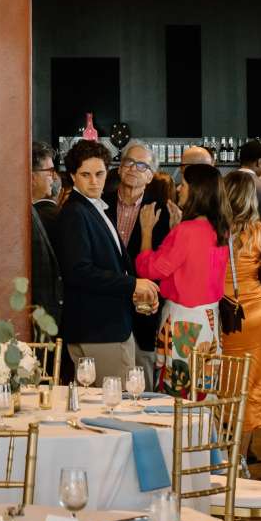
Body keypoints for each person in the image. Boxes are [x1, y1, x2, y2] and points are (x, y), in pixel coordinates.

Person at [55, 138, 158, 385]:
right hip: (99, 329)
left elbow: (113, 265)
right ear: (73, 176)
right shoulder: (76, 212)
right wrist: (133, 284)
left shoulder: (94, 207)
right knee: (118, 401)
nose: (94, 181)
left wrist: (135, 291)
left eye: (99, 174)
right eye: (86, 175)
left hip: (105, 325)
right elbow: (79, 272)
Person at [136, 163, 228, 398]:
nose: (178, 189)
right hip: (209, 321)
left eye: (184, 184)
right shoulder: (219, 229)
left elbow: (151, 270)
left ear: (197, 191)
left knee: (176, 392)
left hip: (184, 323)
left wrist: (146, 232)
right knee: (202, 390)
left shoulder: (187, 230)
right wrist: (174, 231)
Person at [218, 169, 261, 445]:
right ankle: (241, 454)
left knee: (221, 374)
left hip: (222, 308)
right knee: (251, 378)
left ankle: (219, 445)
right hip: (254, 309)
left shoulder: (214, 230)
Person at [113, 143, 173, 384]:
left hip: (144, 310)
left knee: (142, 381)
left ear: (150, 176)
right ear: (119, 168)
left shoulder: (161, 211)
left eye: (142, 166)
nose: (133, 169)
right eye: (129, 162)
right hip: (107, 308)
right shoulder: (100, 204)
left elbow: (164, 264)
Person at [28, 146, 65, 329]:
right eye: (49, 171)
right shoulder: (23, 217)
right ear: (32, 178)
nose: (54, 176)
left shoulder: (41, 214)